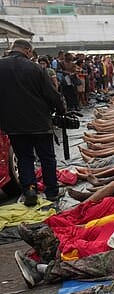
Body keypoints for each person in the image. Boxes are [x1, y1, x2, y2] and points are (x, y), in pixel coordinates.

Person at [0, 39, 66, 206]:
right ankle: (52, 191)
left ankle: (30, 190)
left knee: (24, 158)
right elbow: (51, 94)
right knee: (47, 157)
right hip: (40, 123)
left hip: (13, 124)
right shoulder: (35, 68)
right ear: (28, 51)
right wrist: (60, 110)